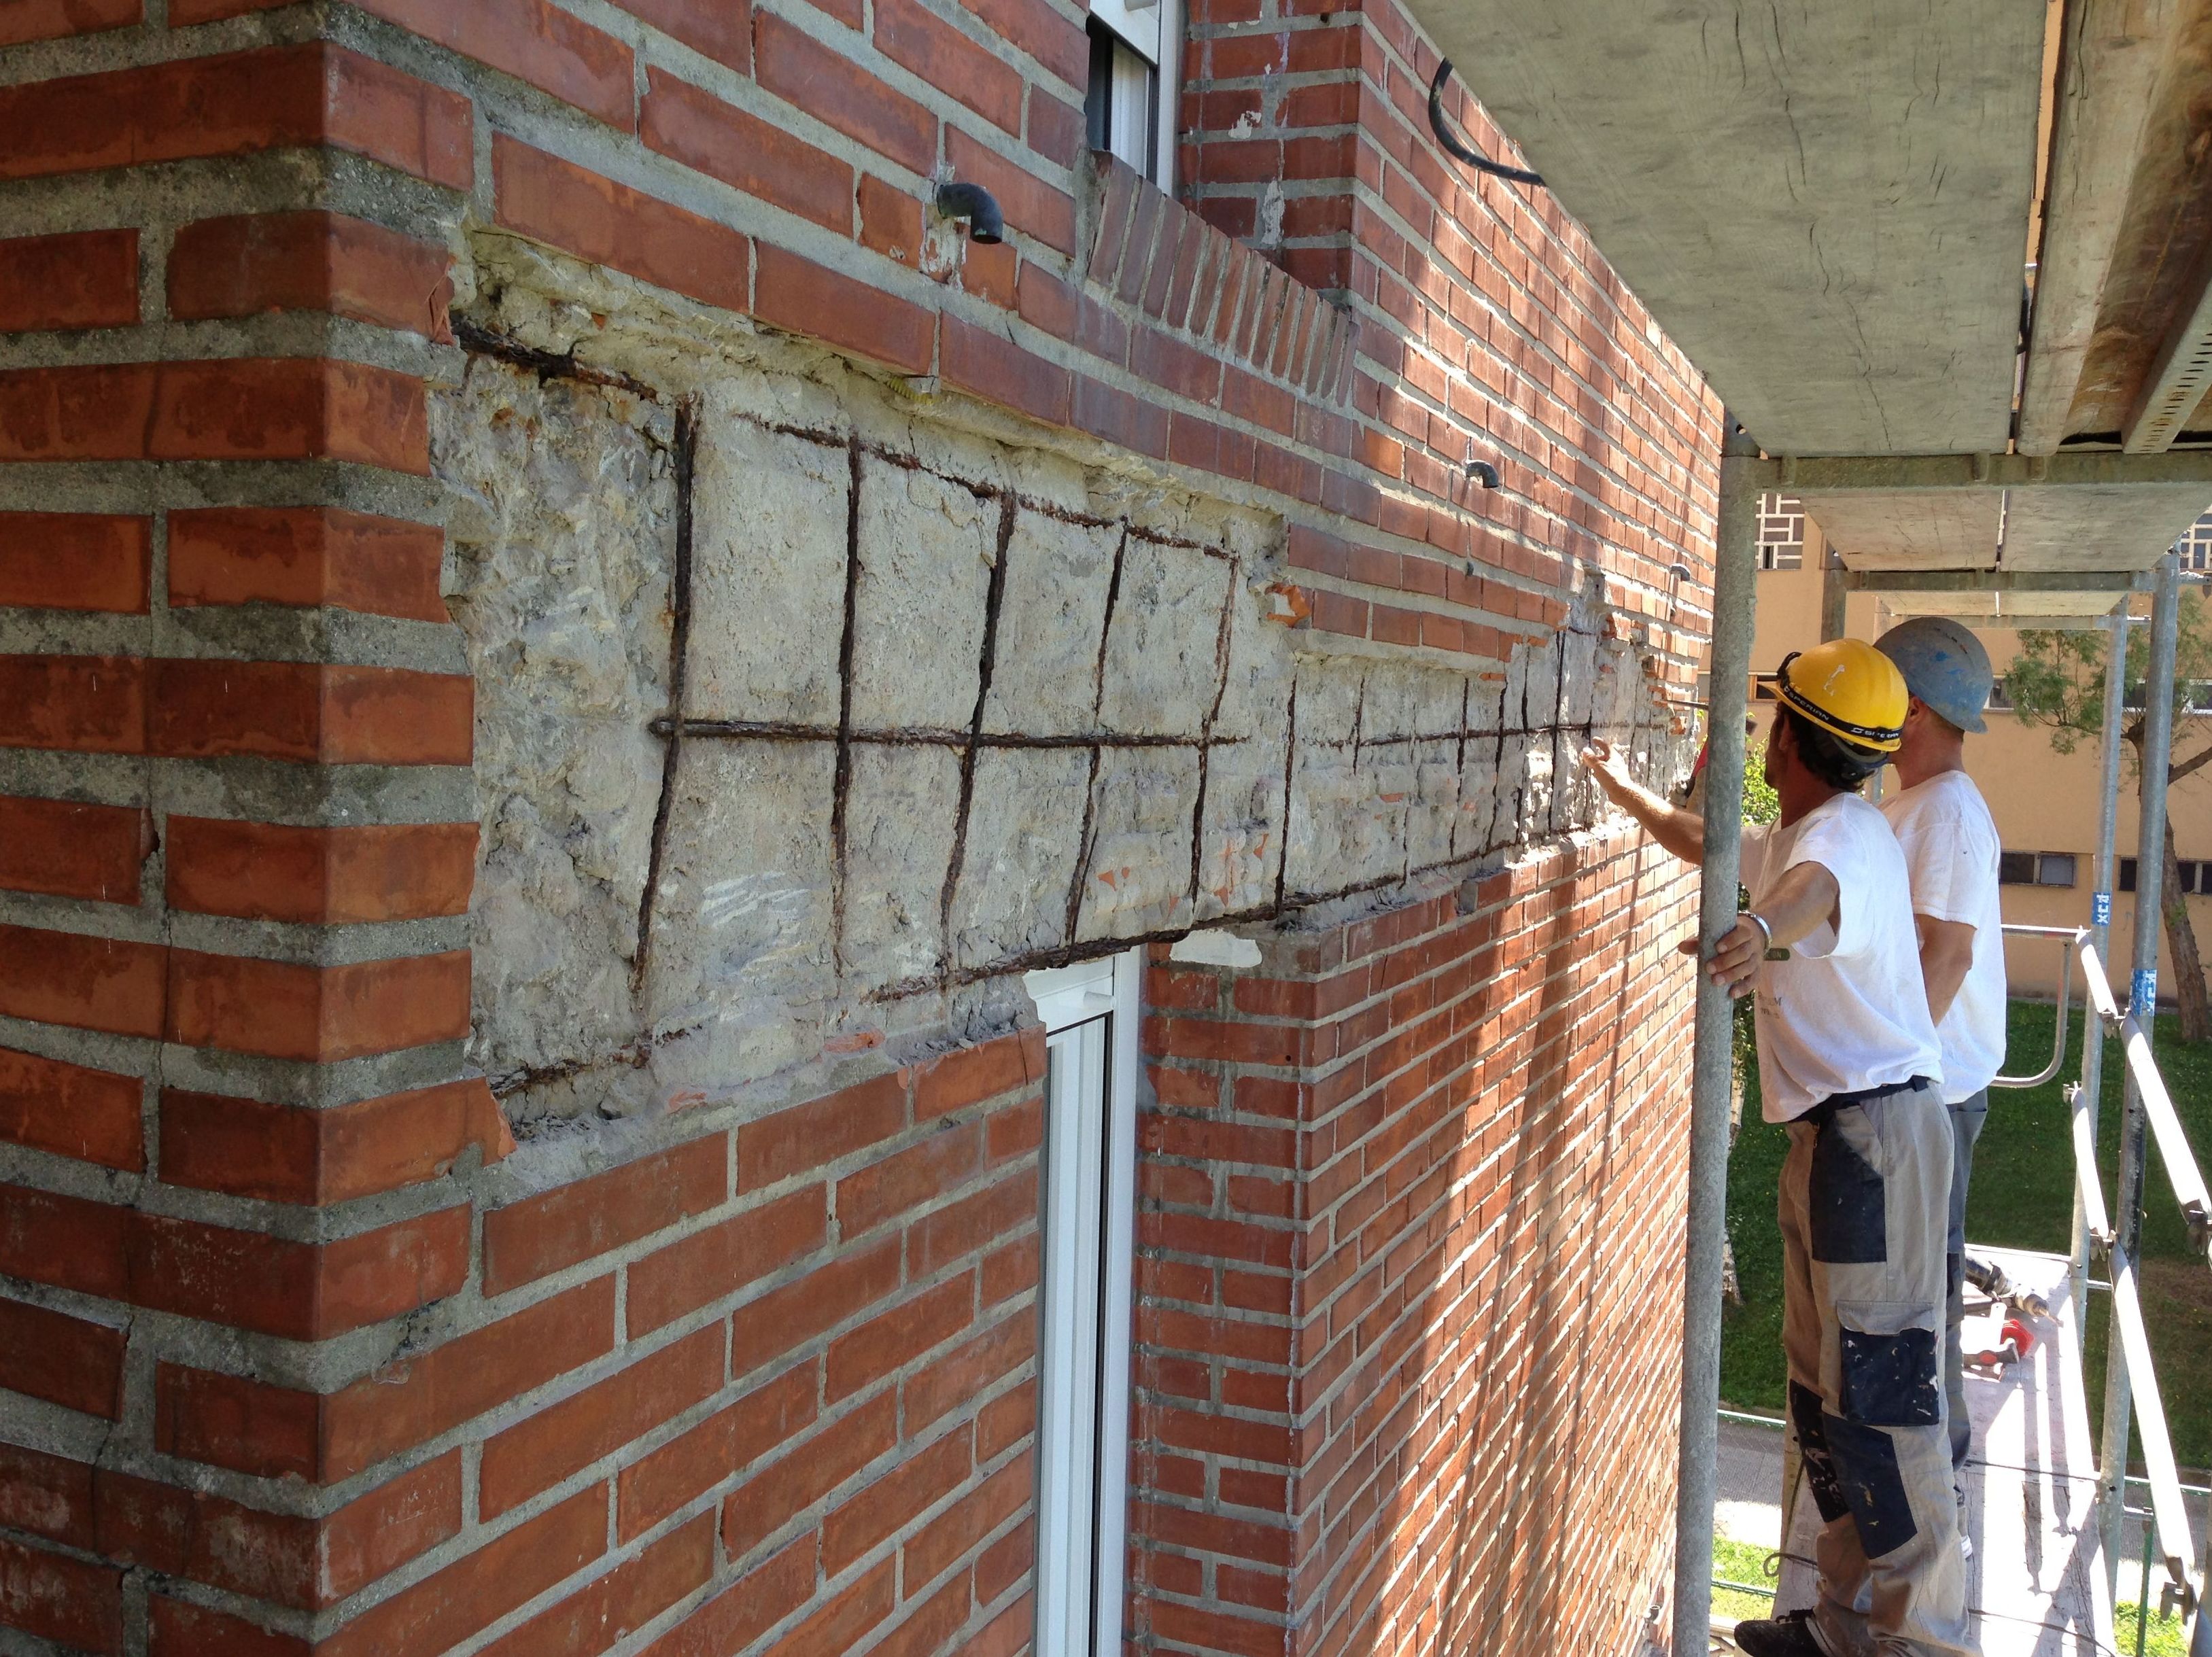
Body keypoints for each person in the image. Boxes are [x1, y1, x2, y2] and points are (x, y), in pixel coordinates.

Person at [1582, 638, 1971, 1657]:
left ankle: (1921, 1643)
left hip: (1877, 1138)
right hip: (1842, 1142)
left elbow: (1807, 900)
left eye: (1770, 719)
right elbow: (1707, 840)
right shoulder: (1807, 827)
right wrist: (1622, 792)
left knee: (1883, 1401)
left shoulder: (1840, 837)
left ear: (1792, 735)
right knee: (1825, 1395)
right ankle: (1843, 1629)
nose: (1763, 732)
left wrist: (1759, 932)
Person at [1874, 616, 2006, 1521]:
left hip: (1930, 1094)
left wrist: (1882, 1074)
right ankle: (1921, 1478)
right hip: (1921, 1086)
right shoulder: (1914, 806)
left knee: (1917, 1294)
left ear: (1909, 707)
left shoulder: (1948, 812)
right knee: (1903, 1288)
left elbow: (1947, 955)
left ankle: (1934, 1488)